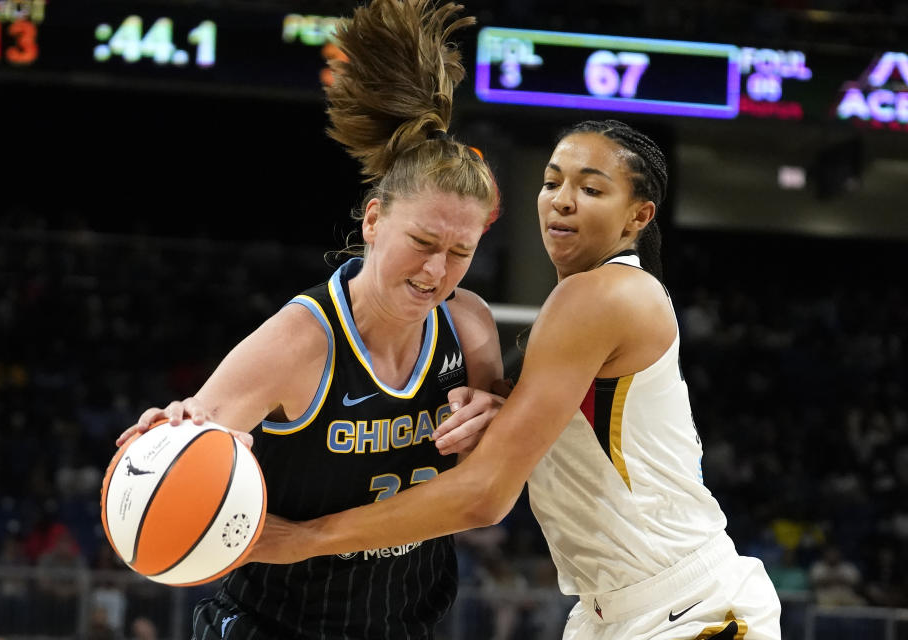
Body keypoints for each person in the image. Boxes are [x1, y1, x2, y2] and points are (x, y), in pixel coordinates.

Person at [253, 120, 783, 639]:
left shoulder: (601, 295)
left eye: (592, 188)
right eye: (552, 182)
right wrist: (501, 407)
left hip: (686, 607)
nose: (563, 199)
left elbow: (483, 496)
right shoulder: (587, 304)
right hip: (617, 612)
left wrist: (306, 537)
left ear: (637, 217)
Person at [115, 1, 503, 638]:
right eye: (423, 242)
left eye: (461, 252)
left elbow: (490, 488)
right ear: (373, 221)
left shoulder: (472, 326)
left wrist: (499, 412)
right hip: (272, 624)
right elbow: (181, 451)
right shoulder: (299, 341)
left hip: (410, 623)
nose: (437, 270)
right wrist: (166, 443)